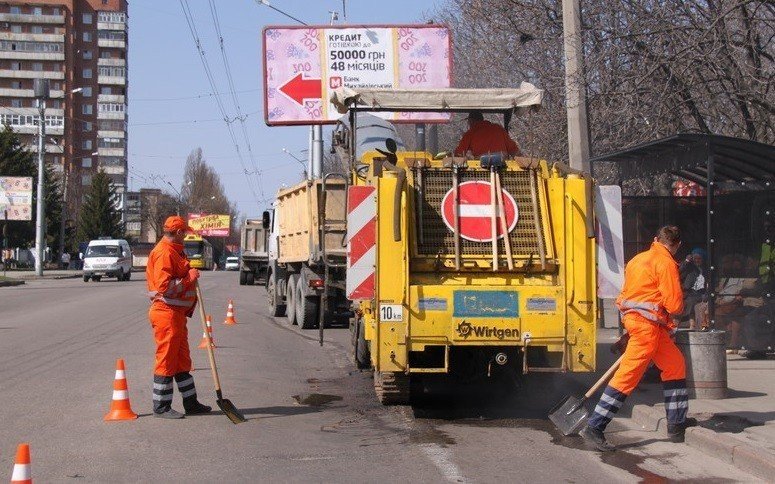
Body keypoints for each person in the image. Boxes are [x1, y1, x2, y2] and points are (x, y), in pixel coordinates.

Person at [581, 225, 689, 451]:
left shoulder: (637, 260)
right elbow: (675, 305)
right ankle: (594, 427)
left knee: (675, 365)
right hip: (647, 327)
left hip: (645, 324)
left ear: (655, 239)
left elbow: (631, 294)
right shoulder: (666, 263)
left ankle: (677, 423)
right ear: (676, 246)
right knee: (628, 375)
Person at [146, 215, 211, 419]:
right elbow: (164, 289)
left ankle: (191, 403)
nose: (186, 237)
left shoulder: (175, 250)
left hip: (177, 315)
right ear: (179, 232)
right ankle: (161, 407)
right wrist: (188, 278)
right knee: (166, 359)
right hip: (166, 314)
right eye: (185, 233)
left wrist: (187, 272)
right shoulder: (164, 253)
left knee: (182, 361)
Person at [454, 111, 522, 158]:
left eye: (469, 122)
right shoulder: (498, 128)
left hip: (482, 169)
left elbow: (459, 154)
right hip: (503, 166)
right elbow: (514, 151)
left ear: (471, 121)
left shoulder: (470, 133)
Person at [678, 248, 706, 327]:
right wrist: (687, 261)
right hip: (689, 292)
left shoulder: (706, 270)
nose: (697, 260)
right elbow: (679, 271)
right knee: (690, 301)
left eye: (699, 258)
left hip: (701, 293)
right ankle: (688, 324)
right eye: (695, 258)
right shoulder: (689, 267)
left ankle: (694, 325)